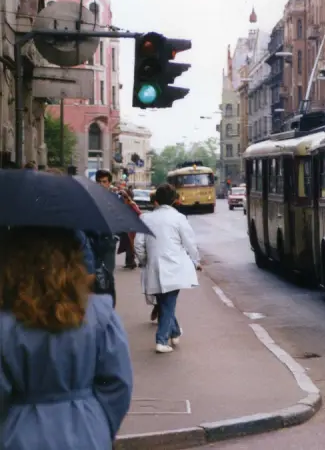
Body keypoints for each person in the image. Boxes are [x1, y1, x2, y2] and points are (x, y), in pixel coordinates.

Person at [0, 226, 133, 449]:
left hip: (20, 435)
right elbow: (119, 383)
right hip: (88, 432)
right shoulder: (100, 314)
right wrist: (101, 424)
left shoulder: (5, 322)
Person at [135, 184, 201, 354]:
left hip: (154, 267)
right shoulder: (179, 218)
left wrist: (144, 261)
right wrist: (195, 260)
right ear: (174, 200)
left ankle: (175, 331)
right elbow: (190, 243)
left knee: (165, 303)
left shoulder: (145, 218)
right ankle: (161, 340)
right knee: (168, 303)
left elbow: (139, 245)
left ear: (156, 200)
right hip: (175, 267)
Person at [89, 169, 120, 306]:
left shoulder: (113, 199)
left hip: (108, 242)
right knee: (92, 275)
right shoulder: (90, 197)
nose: (101, 184)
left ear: (109, 183)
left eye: (104, 182)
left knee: (107, 275)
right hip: (93, 240)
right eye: (99, 181)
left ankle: (107, 305)